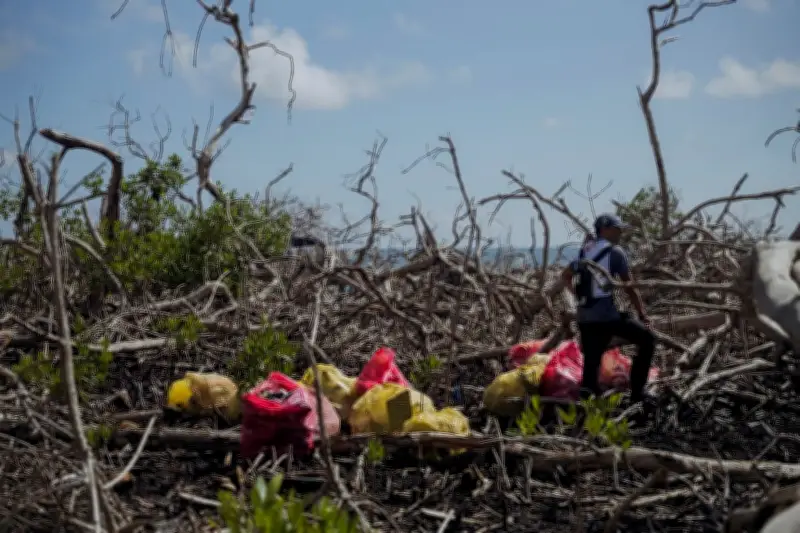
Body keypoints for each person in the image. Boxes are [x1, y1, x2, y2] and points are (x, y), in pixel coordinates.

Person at [561, 214, 656, 405]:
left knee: (591, 362)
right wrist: (642, 314)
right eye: (617, 229)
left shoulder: (585, 250)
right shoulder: (615, 252)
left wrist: (578, 296)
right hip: (606, 318)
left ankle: (586, 406)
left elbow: (565, 275)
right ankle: (638, 393)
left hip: (585, 318)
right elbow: (629, 286)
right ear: (605, 229)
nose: (620, 233)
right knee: (648, 340)